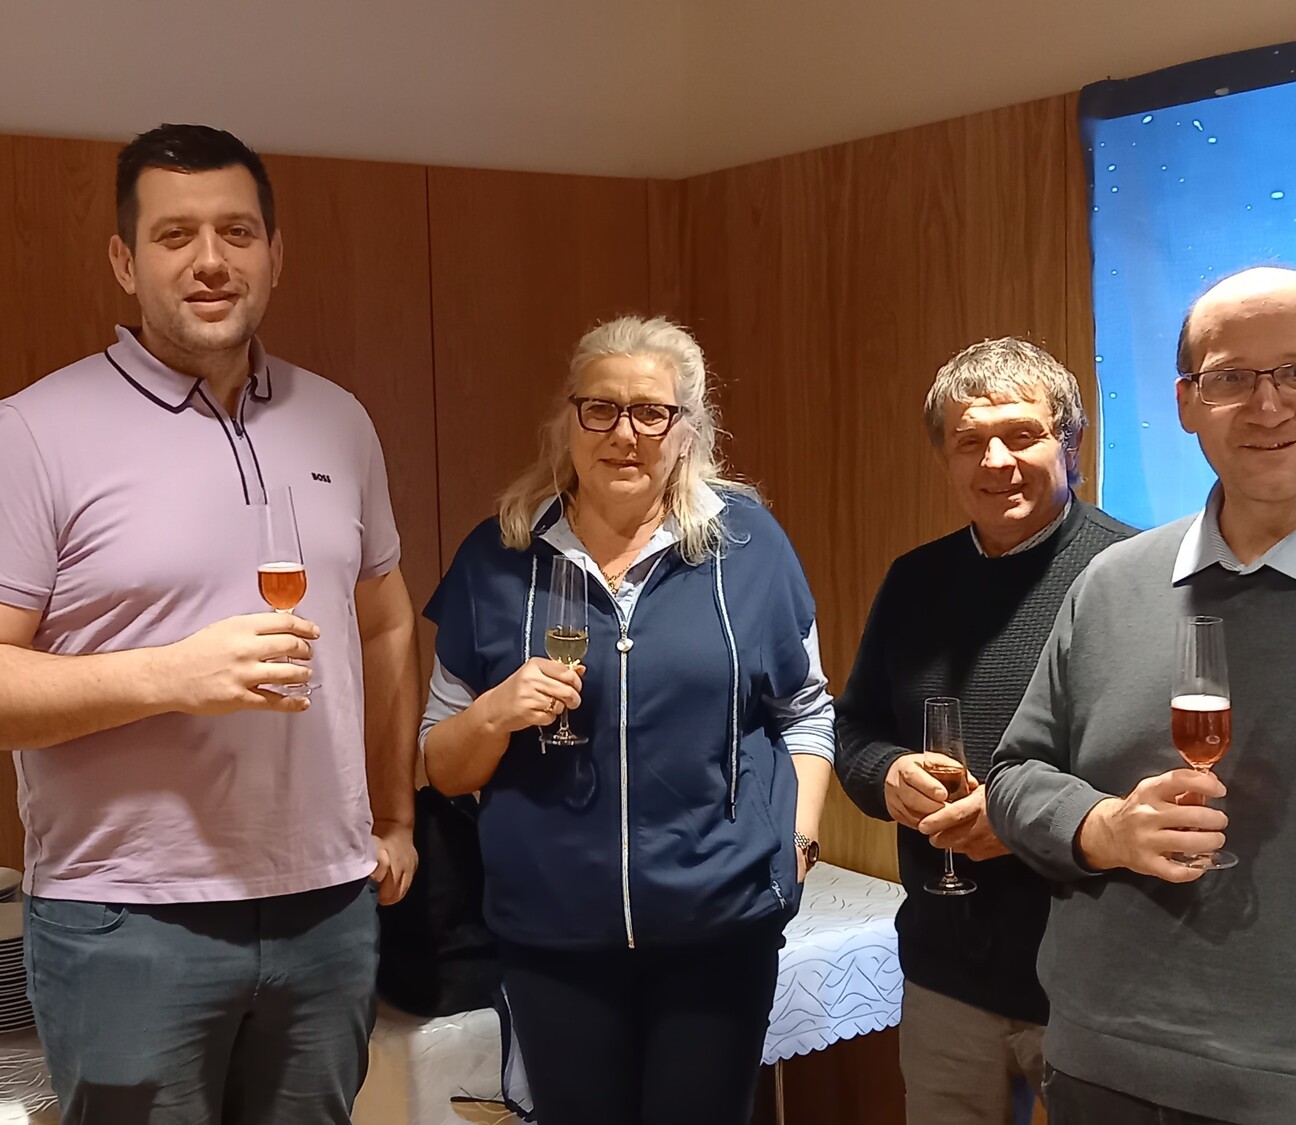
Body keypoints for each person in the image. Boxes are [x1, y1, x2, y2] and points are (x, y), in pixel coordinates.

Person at [989, 267, 1296, 1125]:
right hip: (1109, 1069)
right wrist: (1102, 826)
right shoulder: (1113, 584)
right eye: (1229, 378)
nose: (1267, 406)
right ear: (1188, 402)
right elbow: (1014, 776)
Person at [0, 124, 420, 1125]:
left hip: (328, 909)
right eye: (174, 235)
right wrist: (172, 675)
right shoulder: (32, 432)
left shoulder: (340, 420)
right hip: (127, 918)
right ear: (124, 260)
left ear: (274, 254)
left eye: (237, 232)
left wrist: (395, 815)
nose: (211, 260)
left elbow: (385, 623)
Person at [420, 315, 835, 1125]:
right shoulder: (499, 557)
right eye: (601, 409)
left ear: (688, 430)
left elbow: (807, 710)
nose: (624, 434)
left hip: (719, 928)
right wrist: (497, 711)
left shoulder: (748, 545)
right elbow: (442, 763)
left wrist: (800, 839)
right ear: (568, 420)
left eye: (651, 412)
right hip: (552, 936)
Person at [835, 338, 1131, 1123]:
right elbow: (855, 727)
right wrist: (885, 774)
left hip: (1090, 983)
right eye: (970, 441)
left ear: (1071, 441)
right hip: (946, 977)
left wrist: (1026, 821)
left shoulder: (1131, 575)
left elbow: (1164, 771)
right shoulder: (915, 580)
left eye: (1022, 434)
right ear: (946, 457)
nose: (996, 461)